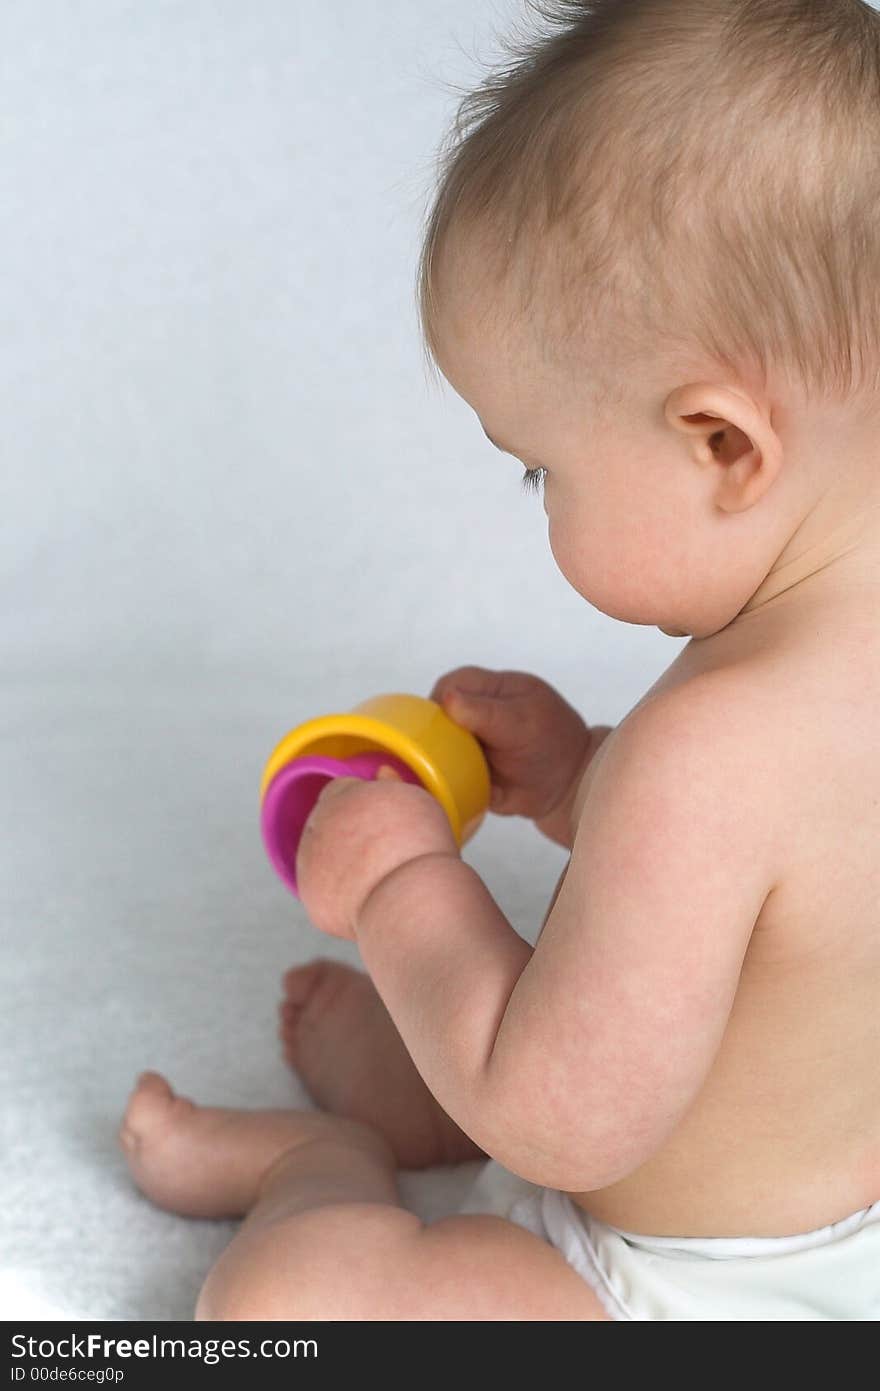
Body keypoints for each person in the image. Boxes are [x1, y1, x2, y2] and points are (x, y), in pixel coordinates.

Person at [120, 0, 880, 1319]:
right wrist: (587, 775)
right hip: (821, 1194)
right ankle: (422, 1076)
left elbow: (561, 1126)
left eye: (542, 467)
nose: (540, 501)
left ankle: (320, 1164)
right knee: (586, 989)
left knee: (295, 1307)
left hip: (678, 1278)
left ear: (721, 448)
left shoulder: (712, 755)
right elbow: (777, 903)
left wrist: (404, 885)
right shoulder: (815, 656)